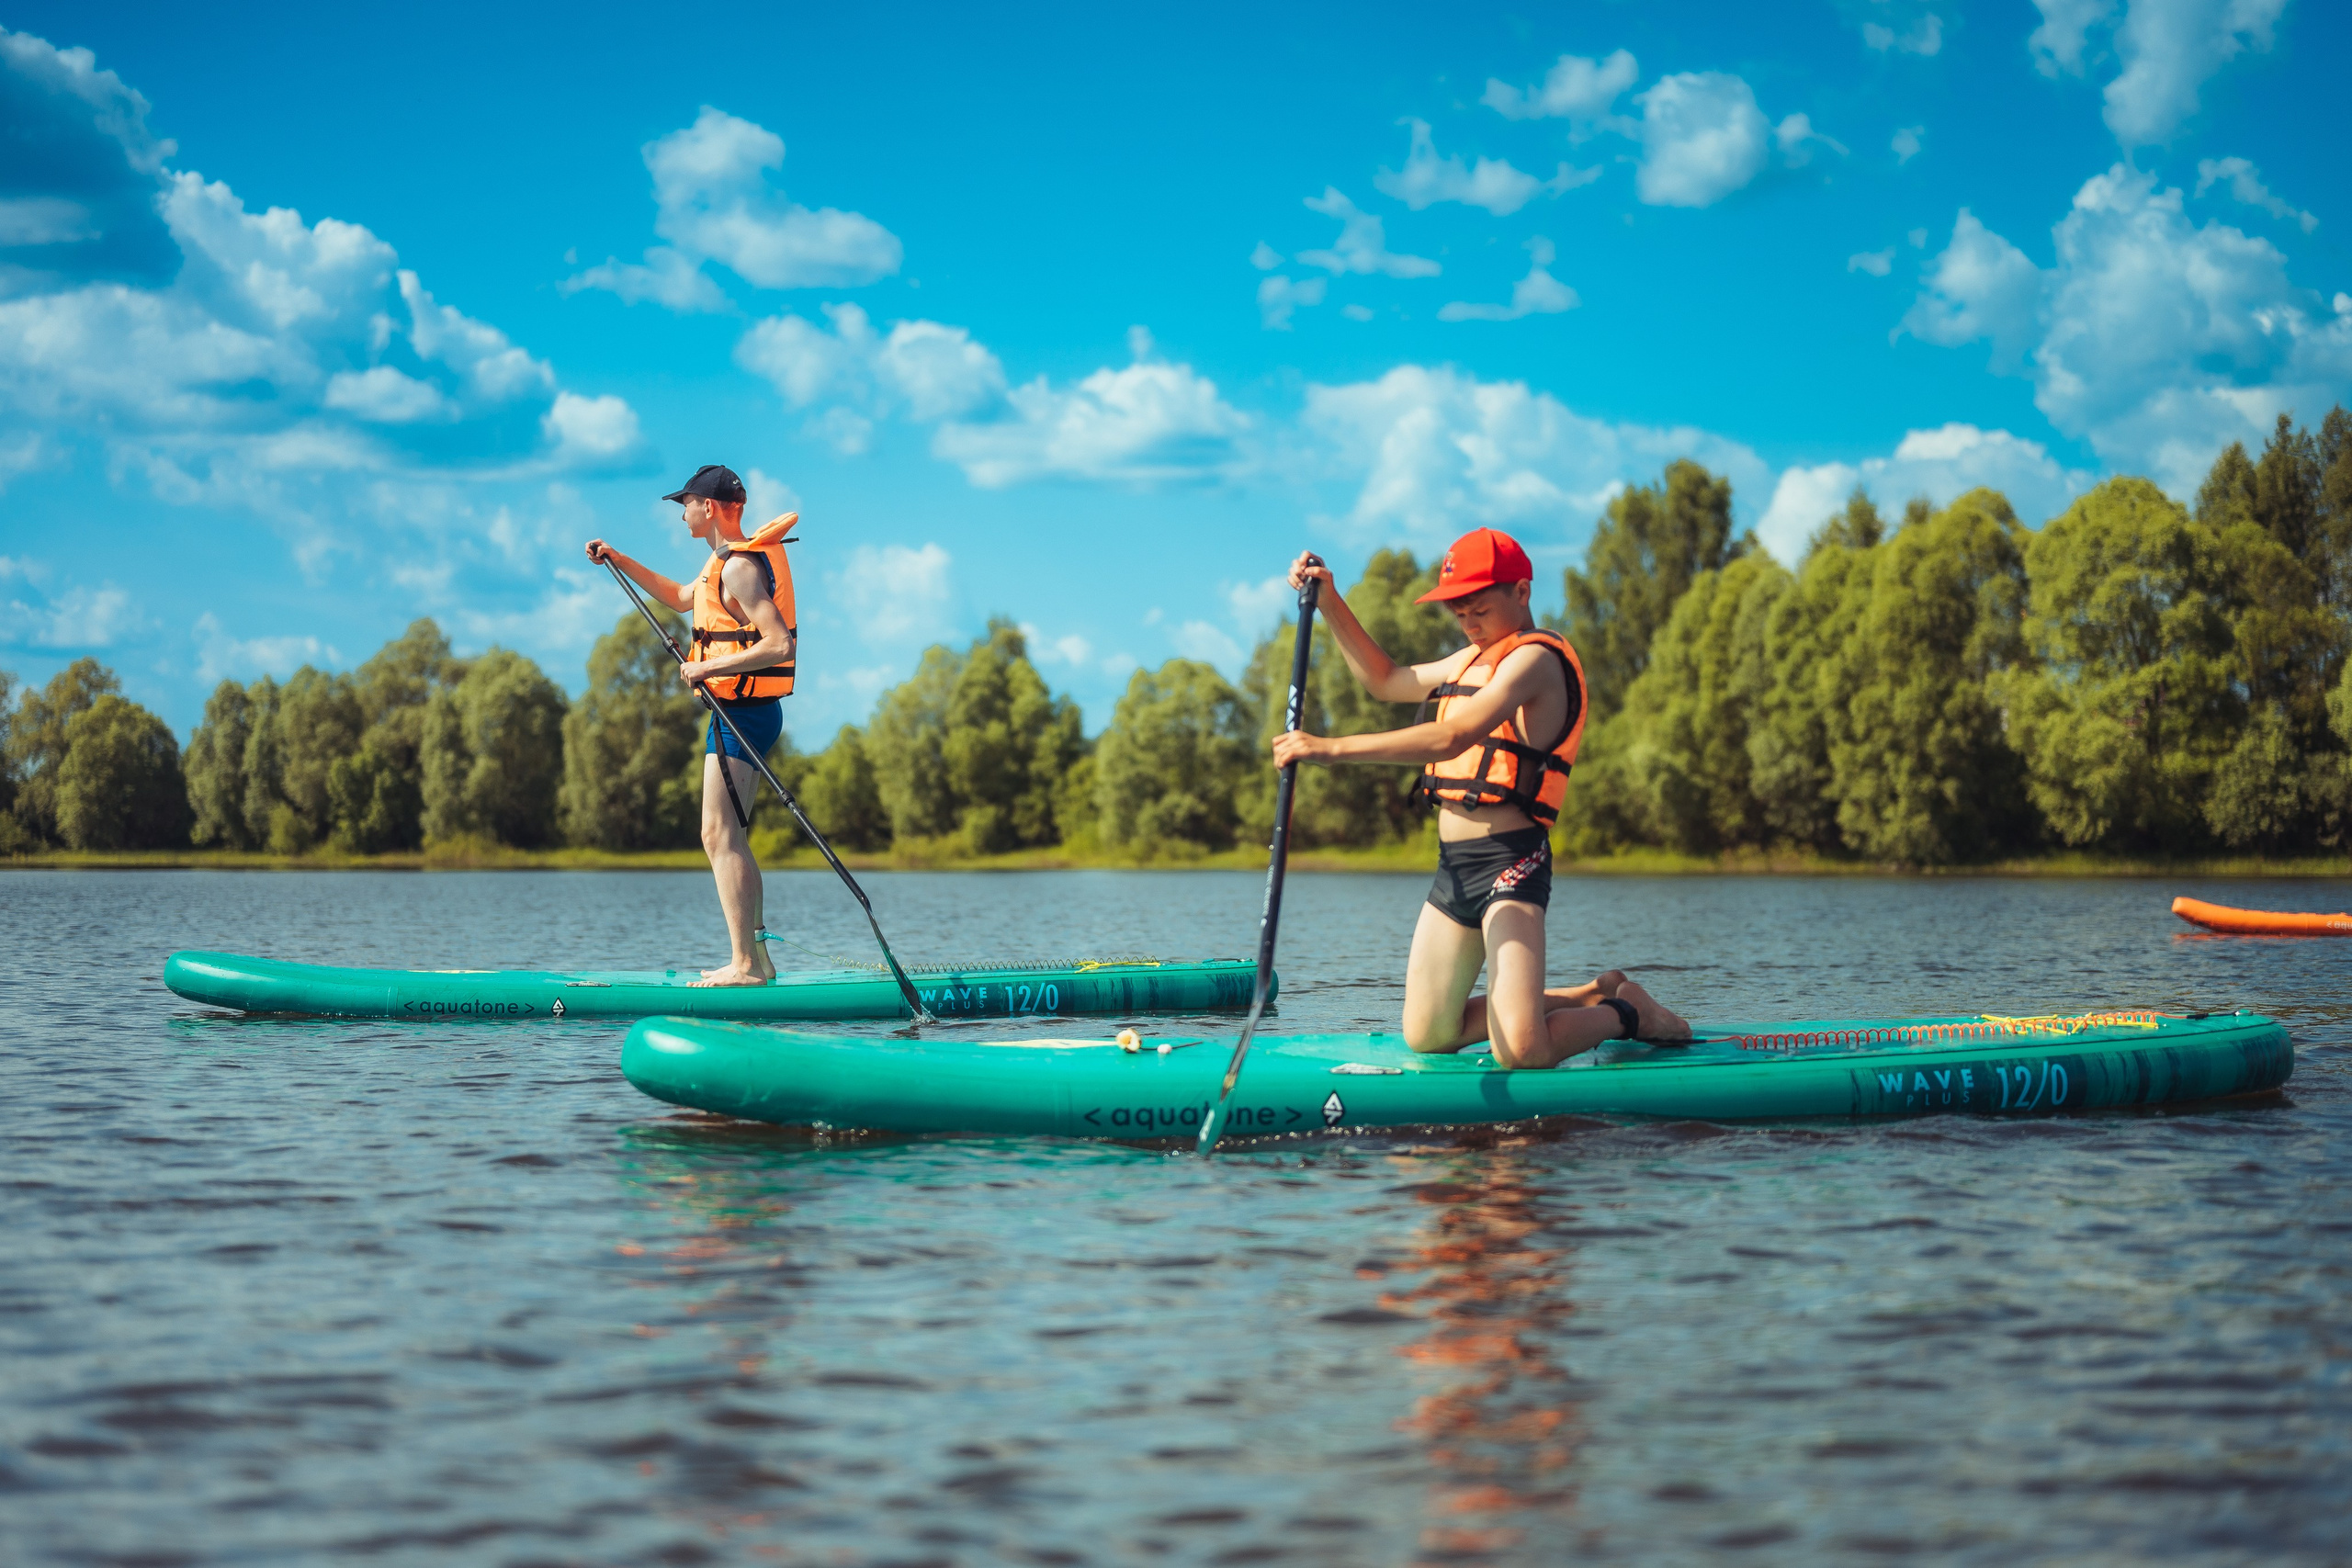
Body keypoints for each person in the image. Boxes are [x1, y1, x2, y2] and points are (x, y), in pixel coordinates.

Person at [1270, 528, 1690, 1066]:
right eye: (1459, 614)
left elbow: (1453, 736)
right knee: (1429, 1034)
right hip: (1454, 870)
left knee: (1519, 1050)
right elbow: (1384, 680)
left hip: (1511, 863)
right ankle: (1593, 994)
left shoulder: (1534, 661)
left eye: (1479, 611)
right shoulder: (1468, 660)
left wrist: (1329, 749)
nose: (1469, 624)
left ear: (1521, 592)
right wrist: (1330, 601)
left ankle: (1628, 1014)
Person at [585, 465, 798, 987]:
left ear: (710, 507)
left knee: (717, 833)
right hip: (739, 712)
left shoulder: (738, 569)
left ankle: (745, 965)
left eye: (687, 504)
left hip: (742, 715)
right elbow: (680, 597)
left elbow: (778, 644)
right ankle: (758, 959)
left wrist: (706, 667)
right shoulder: (718, 564)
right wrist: (619, 559)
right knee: (730, 836)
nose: (683, 513)